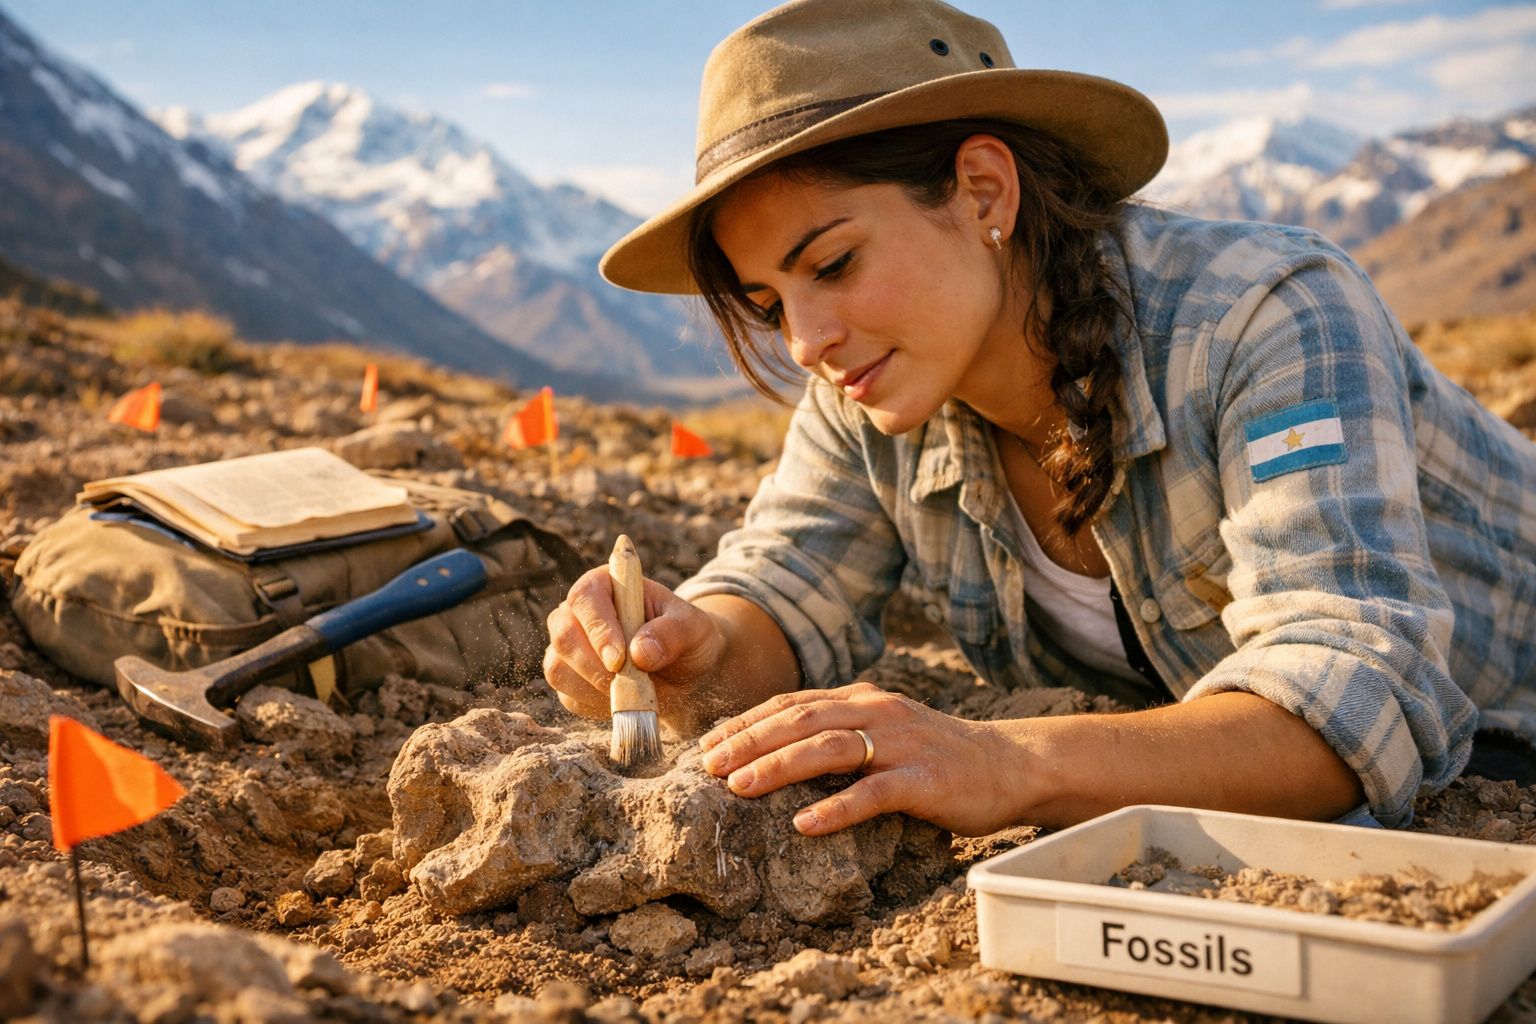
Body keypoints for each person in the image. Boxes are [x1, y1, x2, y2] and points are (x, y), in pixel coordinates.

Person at [543, 0, 1536, 838]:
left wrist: (997, 761)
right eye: (768, 304)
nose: (805, 341)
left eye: (834, 263)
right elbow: (785, 584)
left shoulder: (1266, 314)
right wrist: (691, 649)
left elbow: (1353, 695)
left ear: (984, 189)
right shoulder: (871, 394)